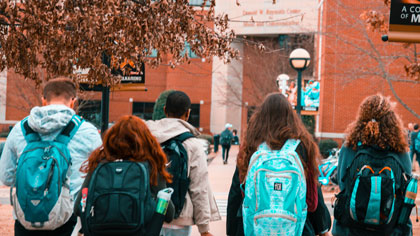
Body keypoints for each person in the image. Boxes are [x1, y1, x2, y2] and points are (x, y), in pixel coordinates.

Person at [0, 77, 102, 236]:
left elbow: (6, 177)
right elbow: (99, 176)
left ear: (43, 100)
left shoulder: (20, 130)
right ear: (73, 101)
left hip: (26, 219)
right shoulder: (87, 132)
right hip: (69, 221)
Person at [231, 93, 330, 236]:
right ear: (290, 116)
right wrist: (322, 228)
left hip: (254, 227)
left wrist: (232, 228)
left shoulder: (251, 145)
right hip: (296, 228)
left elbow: (236, 190)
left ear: (261, 116)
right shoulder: (302, 146)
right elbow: (312, 195)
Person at [75, 115, 175, 235]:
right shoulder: (151, 166)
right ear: (145, 140)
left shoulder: (100, 164)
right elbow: (169, 214)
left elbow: (78, 207)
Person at [332, 94, 412, 236]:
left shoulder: (350, 146)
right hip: (391, 229)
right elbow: (406, 189)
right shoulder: (400, 150)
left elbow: (342, 183)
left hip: (350, 228)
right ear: (392, 119)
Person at [146, 91, 220, 236]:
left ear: (165, 110)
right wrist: (204, 228)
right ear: (188, 113)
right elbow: (199, 187)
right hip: (179, 219)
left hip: (149, 215)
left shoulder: (147, 138)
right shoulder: (192, 144)